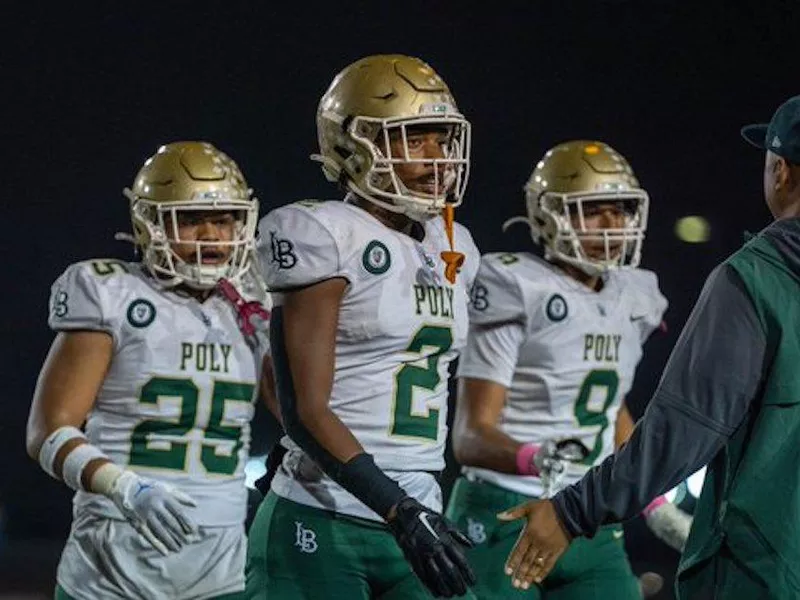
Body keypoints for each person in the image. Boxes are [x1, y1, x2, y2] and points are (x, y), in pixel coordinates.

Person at [501, 94, 800, 599]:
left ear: (780, 170)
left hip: (765, 567)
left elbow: (683, 428)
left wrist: (574, 509)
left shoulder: (752, 279)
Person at [245, 54, 479, 599]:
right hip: (327, 518)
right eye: (414, 139)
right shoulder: (323, 232)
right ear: (353, 145)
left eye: (441, 139)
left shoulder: (456, 243)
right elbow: (305, 405)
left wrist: (410, 509)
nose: (436, 157)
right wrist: (395, 505)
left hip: (421, 514)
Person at [26, 141, 272, 600]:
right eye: (192, 220)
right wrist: (125, 488)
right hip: (112, 569)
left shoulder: (253, 306)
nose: (212, 237)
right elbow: (47, 432)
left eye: (223, 219)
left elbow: (300, 415)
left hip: (221, 572)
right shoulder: (111, 293)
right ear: (151, 224)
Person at [446, 140, 688, 599]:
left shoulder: (633, 295)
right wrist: (537, 458)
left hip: (588, 510)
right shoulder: (516, 284)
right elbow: (470, 436)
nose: (612, 223)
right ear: (549, 216)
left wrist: (652, 503)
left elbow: (608, 405)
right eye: (593, 210)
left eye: (619, 209)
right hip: (505, 508)